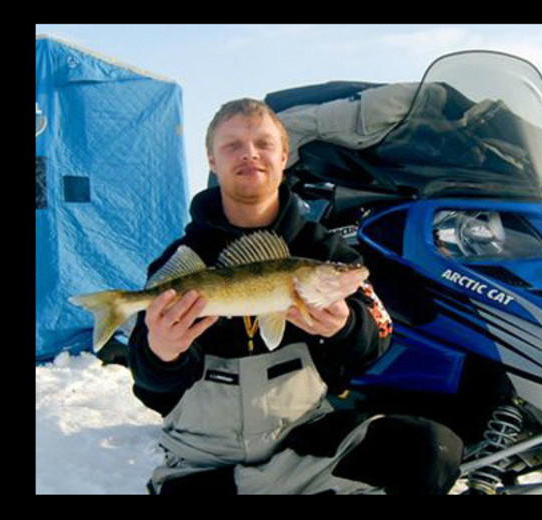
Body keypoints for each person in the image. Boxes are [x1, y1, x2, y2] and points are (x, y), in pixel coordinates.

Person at [128, 98, 463, 495]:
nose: (249, 153)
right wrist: (161, 353)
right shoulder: (182, 263)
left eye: (263, 143)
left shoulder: (325, 253)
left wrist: (346, 327)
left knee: (428, 449)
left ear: (285, 155)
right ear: (212, 161)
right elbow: (152, 390)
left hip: (305, 449)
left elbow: (378, 335)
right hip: (206, 463)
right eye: (232, 145)